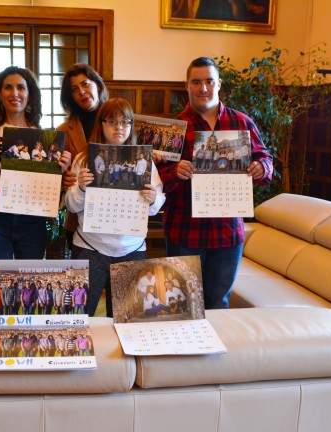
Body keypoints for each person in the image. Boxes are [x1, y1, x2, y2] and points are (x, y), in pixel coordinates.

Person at [157, 57, 273, 309]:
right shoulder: (174, 129)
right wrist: (174, 172)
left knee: (218, 303)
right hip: (183, 230)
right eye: (196, 82)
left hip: (227, 233)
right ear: (186, 85)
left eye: (209, 81)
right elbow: (157, 180)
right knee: (183, 305)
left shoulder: (241, 122)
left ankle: (215, 349)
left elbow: (265, 158)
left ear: (219, 83)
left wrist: (261, 167)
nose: (203, 88)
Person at [66, 99, 165, 317]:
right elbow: (71, 206)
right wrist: (81, 188)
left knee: (126, 317)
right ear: (101, 124)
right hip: (90, 247)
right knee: (80, 315)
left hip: (132, 249)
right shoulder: (84, 159)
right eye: (112, 121)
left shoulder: (145, 160)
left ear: (131, 126)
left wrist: (152, 198)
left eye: (125, 121)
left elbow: (155, 207)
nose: (119, 127)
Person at [0, 66, 72, 260]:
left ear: (29, 94)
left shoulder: (43, 137)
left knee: (30, 277)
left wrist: (61, 170)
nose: (14, 93)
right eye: (8, 87)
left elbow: (53, 192)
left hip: (33, 219)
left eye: (21, 87)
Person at [57, 63, 110, 253]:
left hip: (117, 218)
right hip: (81, 221)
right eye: (74, 89)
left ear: (97, 84)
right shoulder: (63, 131)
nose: (82, 91)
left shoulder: (119, 122)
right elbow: (57, 175)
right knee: (88, 281)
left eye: (85, 84)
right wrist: (65, 179)